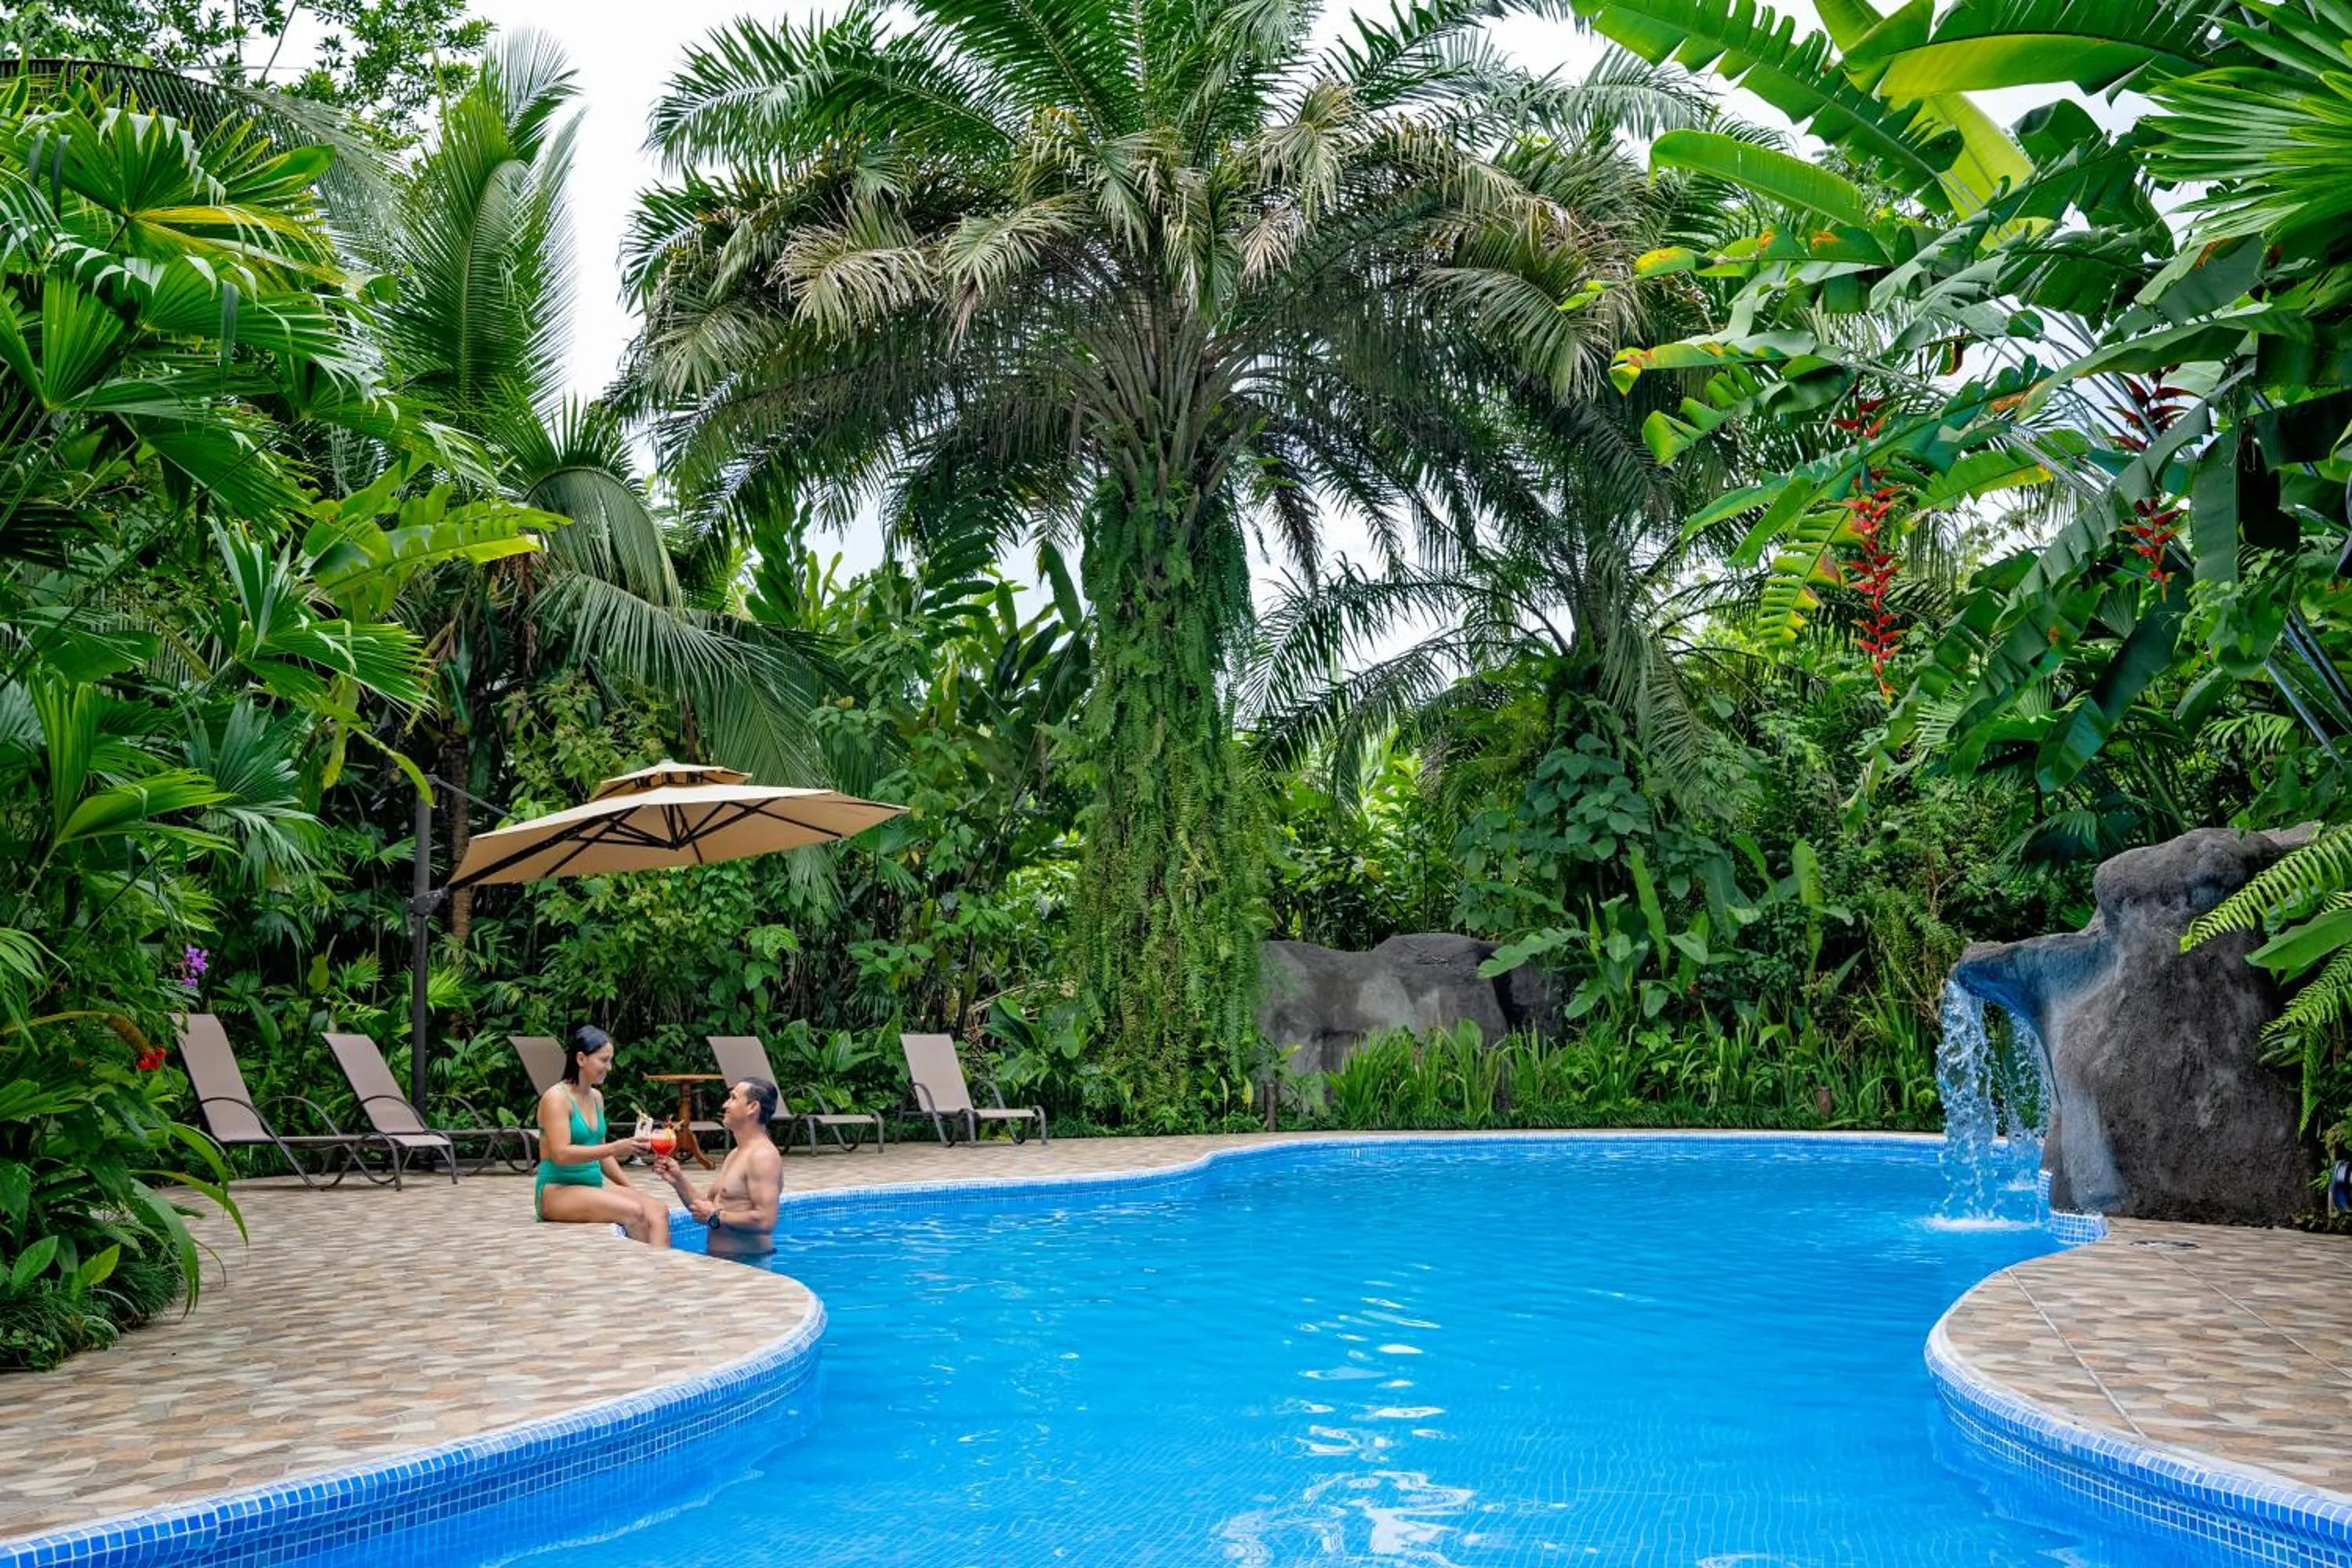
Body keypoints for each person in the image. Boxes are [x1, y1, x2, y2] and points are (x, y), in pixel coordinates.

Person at [534, 1025, 670, 1246]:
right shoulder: (556, 1099)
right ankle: (642, 1265)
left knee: (658, 1210)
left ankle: (662, 1264)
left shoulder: (596, 1097)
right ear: (581, 1059)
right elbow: (561, 1154)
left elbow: (603, 1154)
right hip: (557, 1189)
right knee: (634, 1212)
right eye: (604, 1060)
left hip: (592, 1184)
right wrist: (617, 1148)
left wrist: (629, 1188)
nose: (609, 1067)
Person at [653, 1077, 783, 1258]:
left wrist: (716, 1216)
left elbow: (766, 1220)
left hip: (748, 1265)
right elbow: (706, 1210)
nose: (725, 1105)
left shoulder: (762, 1156)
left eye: (733, 1098)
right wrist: (678, 1180)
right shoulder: (736, 1154)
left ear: (752, 1107)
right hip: (723, 1261)